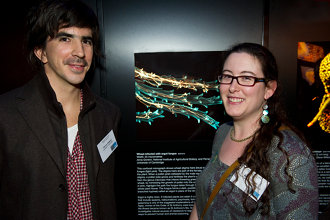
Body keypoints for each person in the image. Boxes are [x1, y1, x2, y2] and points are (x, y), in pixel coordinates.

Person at [0, 0, 120, 219]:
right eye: (65, 38)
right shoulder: (5, 114)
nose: (80, 52)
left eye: (87, 41)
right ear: (40, 51)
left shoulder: (108, 115)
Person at [189, 43, 319, 219]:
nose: (233, 87)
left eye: (247, 78)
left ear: (269, 89)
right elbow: (204, 201)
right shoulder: (223, 133)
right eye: (228, 76)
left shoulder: (290, 155)